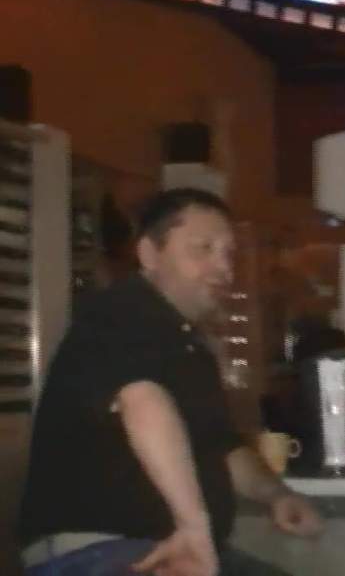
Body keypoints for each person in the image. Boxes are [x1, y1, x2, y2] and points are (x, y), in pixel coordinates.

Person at [18, 188, 323, 576]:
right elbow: (143, 400)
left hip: (159, 548)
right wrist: (193, 529)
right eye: (203, 248)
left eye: (228, 254)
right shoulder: (122, 313)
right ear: (149, 254)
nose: (224, 268)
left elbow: (223, 448)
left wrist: (276, 495)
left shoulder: (189, 346)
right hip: (96, 550)